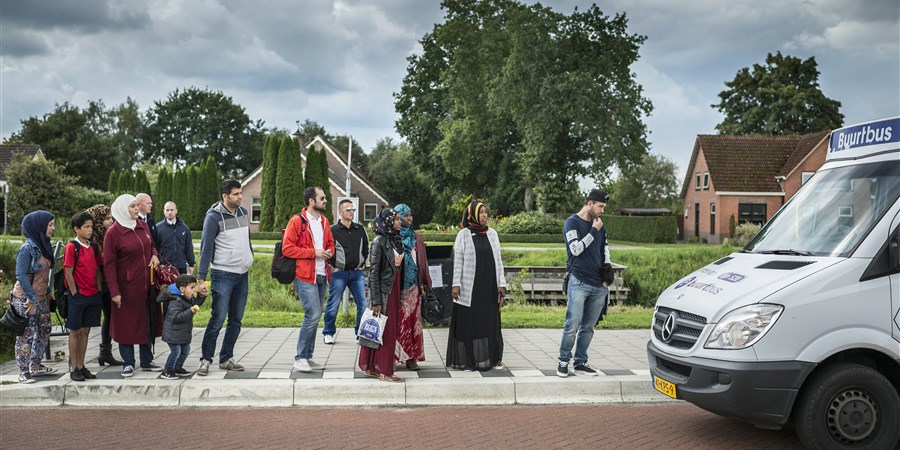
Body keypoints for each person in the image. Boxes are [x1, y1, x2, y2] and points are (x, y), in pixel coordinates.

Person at [196, 179, 254, 376]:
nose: (240, 197)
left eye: (240, 193)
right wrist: (201, 278)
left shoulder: (244, 213)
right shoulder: (213, 218)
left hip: (242, 274)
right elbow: (205, 250)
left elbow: (247, 240)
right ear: (225, 196)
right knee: (218, 318)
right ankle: (205, 360)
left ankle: (226, 358)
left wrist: (250, 257)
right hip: (223, 274)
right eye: (236, 194)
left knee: (236, 320)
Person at [104, 194, 163, 377]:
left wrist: (154, 255)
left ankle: (147, 360)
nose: (137, 209)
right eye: (132, 206)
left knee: (147, 322)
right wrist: (114, 291)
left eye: (137, 205)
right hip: (126, 288)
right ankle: (128, 362)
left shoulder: (142, 225)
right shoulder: (113, 233)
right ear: (122, 209)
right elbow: (109, 265)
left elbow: (152, 245)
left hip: (147, 285)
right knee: (126, 325)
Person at [556, 189, 614, 377]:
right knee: (572, 324)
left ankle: (580, 363)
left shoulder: (599, 225)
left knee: (588, 327)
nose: (602, 211)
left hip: (599, 285)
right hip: (578, 281)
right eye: (600, 207)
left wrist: (607, 277)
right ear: (590, 203)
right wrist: (593, 231)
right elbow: (576, 249)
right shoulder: (572, 223)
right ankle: (563, 361)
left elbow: (605, 250)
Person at [447, 201, 507, 371]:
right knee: (470, 323)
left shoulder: (493, 234)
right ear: (472, 214)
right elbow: (458, 261)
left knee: (490, 322)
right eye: (481, 212)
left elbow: (498, 260)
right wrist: (456, 284)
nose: (484, 215)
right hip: (469, 288)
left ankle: (493, 358)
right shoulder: (463, 235)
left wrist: (502, 283)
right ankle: (469, 360)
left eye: (486, 212)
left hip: (489, 287)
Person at [282, 186, 334, 373]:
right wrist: (314, 253)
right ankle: (300, 357)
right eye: (322, 198)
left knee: (316, 315)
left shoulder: (325, 221)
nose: (325, 200)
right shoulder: (297, 221)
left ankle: (308, 357)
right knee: (312, 314)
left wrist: (329, 252)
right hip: (304, 275)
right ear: (312, 201)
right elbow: (287, 248)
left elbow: (329, 243)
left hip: (322, 274)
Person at [10, 210, 58, 384]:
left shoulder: (44, 246)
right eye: (50, 225)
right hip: (25, 298)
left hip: (40, 297)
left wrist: (48, 294)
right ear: (38, 226)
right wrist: (31, 298)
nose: (53, 228)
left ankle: (35, 364)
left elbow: (42, 276)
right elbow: (21, 275)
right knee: (26, 335)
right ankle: (23, 372)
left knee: (45, 329)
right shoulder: (27, 248)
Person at [357, 208, 403, 382]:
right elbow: (374, 273)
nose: (399, 222)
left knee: (383, 330)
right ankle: (384, 370)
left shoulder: (396, 241)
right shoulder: (379, 242)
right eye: (397, 219)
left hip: (393, 289)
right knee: (384, 332)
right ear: (388, 222)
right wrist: (376, 300)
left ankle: (372, 367)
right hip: (383, 292)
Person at [63, 212, 103, 381]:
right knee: (75, 330)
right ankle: (74, 368)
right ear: (76, 229)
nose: (89, 230)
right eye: (86, 227)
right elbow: (68, 272)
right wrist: (75, 293)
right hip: (78, 295)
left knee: (86, 330)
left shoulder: (93, 247)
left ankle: (82, 365)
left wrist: (99, 289)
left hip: (93, 294)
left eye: (91, 227)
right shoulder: (72, 247)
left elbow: (97, 270)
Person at [322, 199, 368, 343]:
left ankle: (359, 334)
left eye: (353, 209)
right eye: (349, 210)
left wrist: (362, 263)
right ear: (340, 212)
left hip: (357, 273)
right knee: (333, 304)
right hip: (339, 273)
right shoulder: (332, 230)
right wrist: (332, 266)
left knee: (363, 304)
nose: (352, 212)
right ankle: (328, 332)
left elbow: (366, 248)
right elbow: (327, 248)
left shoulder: (360, 229)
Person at [393, 203, 432, 370]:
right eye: (405, 215)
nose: (409, 218)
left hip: (414, 287)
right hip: (398, 288)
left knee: (413, 322)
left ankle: (411, 358)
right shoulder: (393, 237)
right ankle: (394, 358)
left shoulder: (417, 238)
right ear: (398, 217)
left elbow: (423, 262)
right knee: (398, 322)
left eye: (410, 215)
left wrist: (425, 283)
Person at [86, 204, 123, 367]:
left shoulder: (108, 235)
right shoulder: (91, 239)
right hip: (95, 284)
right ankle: (78, 361)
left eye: (111, 217)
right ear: (98, 221)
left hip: (107, 282)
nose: (111, 221)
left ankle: (105, 352)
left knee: (109, 316)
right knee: (87, 321)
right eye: (107, 218)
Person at [156, 274, 208, 380]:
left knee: (186, 350)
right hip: (172, 333)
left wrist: (201, 296)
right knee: (176, 351)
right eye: (192, 288)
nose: (194, 290)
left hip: (181, 333)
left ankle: (177, 367)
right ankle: (167, 371)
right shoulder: (176, 301)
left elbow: (195, 303)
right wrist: (190, 312)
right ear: (182, 289)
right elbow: (176, 317)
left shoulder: (187, 297)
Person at [156, 201, 195, 275]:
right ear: (164, 211)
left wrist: (191, 264)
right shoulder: (158, 228)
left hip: (181, 266)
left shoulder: (184, 228)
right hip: (164, 267)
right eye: (167, 210)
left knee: (181, 287)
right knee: (166, 287)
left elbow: (189, 247)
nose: (169, 212)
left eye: (172, 210)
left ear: (176, 211)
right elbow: (155, 248)